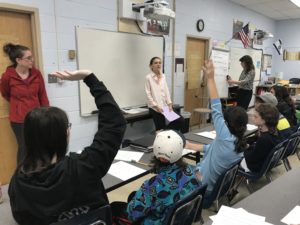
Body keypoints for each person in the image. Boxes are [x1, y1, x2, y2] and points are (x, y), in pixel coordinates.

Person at [8, 70, 126, 225]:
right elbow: (114, 122)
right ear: (65, 134)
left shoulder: (18, 183)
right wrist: (89, 78)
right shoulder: (84, 167)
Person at [185, 60, 248, 194]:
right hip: (215, 187)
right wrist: (192, 146)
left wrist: (210, 77)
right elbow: (215, 149)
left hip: (202, 186)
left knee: (174, 171)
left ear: (227, 123)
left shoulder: (225, 137)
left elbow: (216, 107)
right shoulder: (237, 141)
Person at [125, 130, 202, 224]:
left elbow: (132, 215)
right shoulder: (190, 171)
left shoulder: (152, 185)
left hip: (158, 222)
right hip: (181, 220)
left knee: (116, 206)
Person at [0, 43, 49, 163]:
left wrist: (46, 113)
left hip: (37, 117)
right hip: (19, 120)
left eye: (32, 57)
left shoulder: (36, 74)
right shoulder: (7, 77)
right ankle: (21, 177)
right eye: (28, 58)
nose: (32, 60)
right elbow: (6, 94)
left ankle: (39, 173)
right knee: (24, 148)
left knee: (39, 146)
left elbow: (42, 94)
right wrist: (18, 105)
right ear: (18, 60)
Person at [145, 57, 184, 132]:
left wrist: (169, 104)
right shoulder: (148, 78)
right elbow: (148, 94)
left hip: (165, 106)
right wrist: (156, 106)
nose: (158, 64)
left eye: (160, 62)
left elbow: (166, 91)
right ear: (151, 66)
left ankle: (164, 132)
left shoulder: (163, 76)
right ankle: (162, 134)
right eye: (156, 63)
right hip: (155, 108)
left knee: (180, 120)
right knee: (160, 127)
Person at [242, 103, 283, 172]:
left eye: (256, 117)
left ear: (264, 120)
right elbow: (259, 150)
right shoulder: (275, 131)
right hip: (266, 164)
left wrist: (243, 152)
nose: (252, 118)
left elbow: (252, 158)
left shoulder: (264, 139)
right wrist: (249, 146)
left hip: (256, 167)